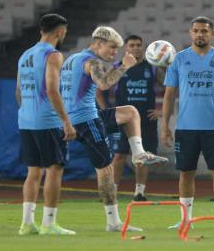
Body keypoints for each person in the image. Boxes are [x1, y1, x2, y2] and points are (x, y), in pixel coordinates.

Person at [60, 26, 168, 232]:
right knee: (106, 170)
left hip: (74, 116)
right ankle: (113, 222)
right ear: (98, 43)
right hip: (86, 120)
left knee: (130, 112)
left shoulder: (71, 60)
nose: (114, 53)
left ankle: (138, 153)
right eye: (111, 48)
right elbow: (103, 84)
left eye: (117, 50)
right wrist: (125, 66)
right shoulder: (91, 61)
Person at [161, 16, 214, 229]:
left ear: (212, 34)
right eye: (196, 31)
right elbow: (169, 95)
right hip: (186, 127)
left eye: (204, 31)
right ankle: (186, 219)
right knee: (186, 173)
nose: (200, 34)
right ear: (190, 33)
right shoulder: (178, 59)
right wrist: (165, 125)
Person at [16, 13, 76, 236]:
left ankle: (27, 224)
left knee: (33, 172)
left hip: (26, 119)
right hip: (47, 121)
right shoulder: (53, 55)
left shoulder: (25, 55)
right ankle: (49, 223)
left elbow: (19, 91)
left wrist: (27, 112)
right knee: (54, 169)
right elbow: (52, 89)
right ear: (60, 32)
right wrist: (66, 121)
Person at [103, 35, 166, 202]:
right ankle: (113, 192)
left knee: (142, 157)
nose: (136, 48)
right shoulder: (117, 67)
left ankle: (139, 193)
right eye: (132, 45)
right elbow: (100, 88)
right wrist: (105, 110)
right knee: (118, 157)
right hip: (120, 120)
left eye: (139, 45)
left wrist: (161, 110)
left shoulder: (152, 68)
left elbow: (171, 88)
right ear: (126, 49)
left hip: (146, 120)